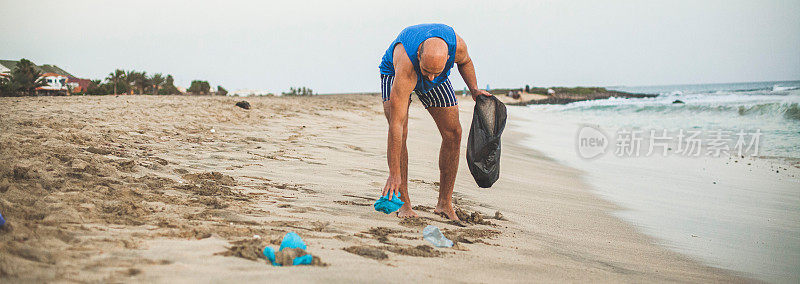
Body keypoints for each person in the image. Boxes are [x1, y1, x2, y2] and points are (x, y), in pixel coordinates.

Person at [378, 23, 491, 220]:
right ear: (419, 55)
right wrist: (393, 173)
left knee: (453, 133)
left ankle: (444, 204)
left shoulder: (457, 47)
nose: (430, 77)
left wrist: (473, 89)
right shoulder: (406, 63)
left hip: (432, 74)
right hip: (394, 73)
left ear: (448, 58)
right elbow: (395, 125)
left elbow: (465, 62)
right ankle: (404, 203)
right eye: (427, 70)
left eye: (435, 71)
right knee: (401, 131)